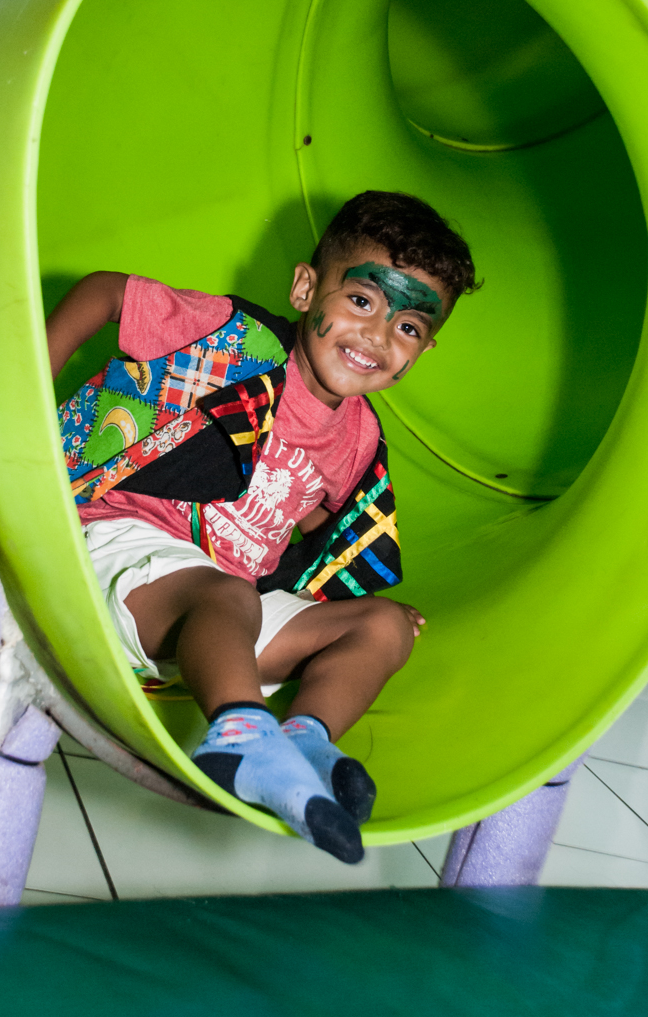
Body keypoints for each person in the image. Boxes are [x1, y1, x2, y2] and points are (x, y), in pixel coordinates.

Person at [46, 191, 479, 863]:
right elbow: (107, 292)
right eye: (361, 300)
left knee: (384, 626)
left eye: (409, 327)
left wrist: (329, 567)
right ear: (306, 289)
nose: (377, 336)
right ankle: (240, 736)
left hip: (218, 623)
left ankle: (304, 741)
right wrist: (24, 385)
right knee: (227, 594)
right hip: (121, 556)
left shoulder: (359, 438)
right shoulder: (237, 341)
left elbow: (310, 519)